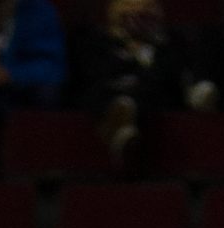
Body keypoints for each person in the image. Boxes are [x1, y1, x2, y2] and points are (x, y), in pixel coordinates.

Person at [75, 0, 185, 167]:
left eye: (144, 12)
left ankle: (123, 127)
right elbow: (94, 76)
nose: (136, 17)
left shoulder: (170, 44)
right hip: (107, 98)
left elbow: (168, 81)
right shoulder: (97, 41)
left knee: (146, 94)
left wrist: (141, 57)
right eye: (129, 11)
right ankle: (123, 129)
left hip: (152, 108)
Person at [0, 0, 65, 108]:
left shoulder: (38, 10)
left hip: (17, 92)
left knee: (46, 93)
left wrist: (10, 75)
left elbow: (52, 67)